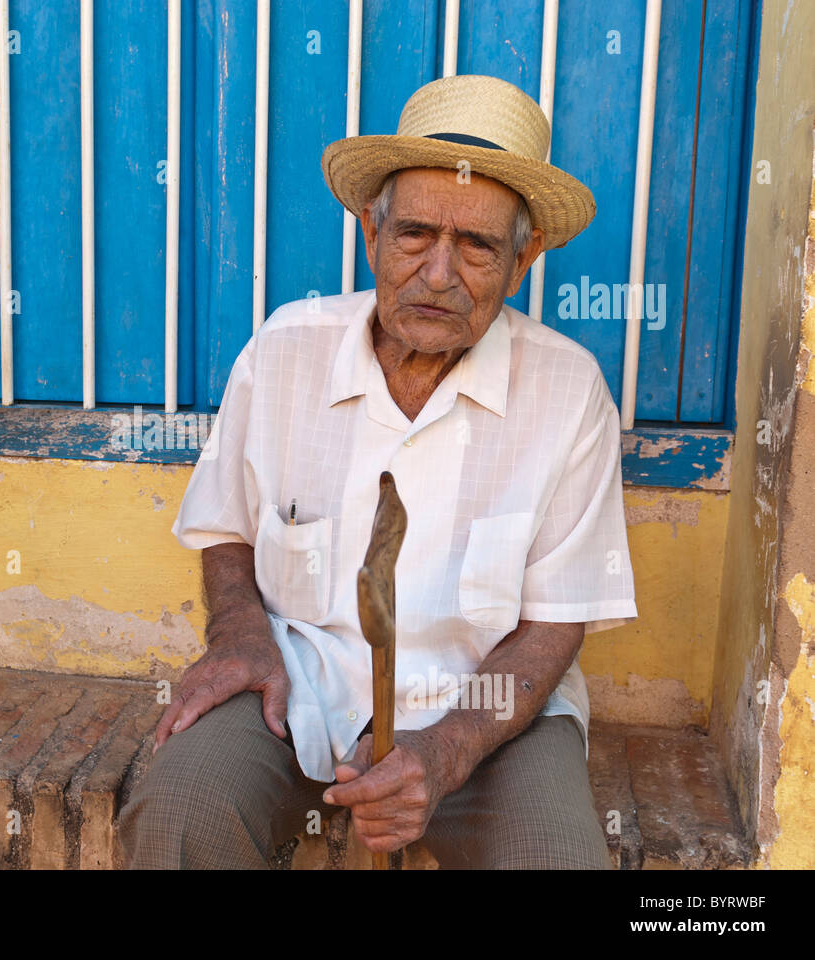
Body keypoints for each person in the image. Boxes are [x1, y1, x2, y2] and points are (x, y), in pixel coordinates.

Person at [119, 74, 637, 869]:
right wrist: (241, 636)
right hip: (297, 686)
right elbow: (227, 527)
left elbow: (553, 623)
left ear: (525, 258)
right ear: (371, 231)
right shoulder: (284, 351)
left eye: (476, 246)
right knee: (179, 816)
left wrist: (447, 751)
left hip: (490, 714)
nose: (437, 274)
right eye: (415, 234)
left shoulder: (570, 394)